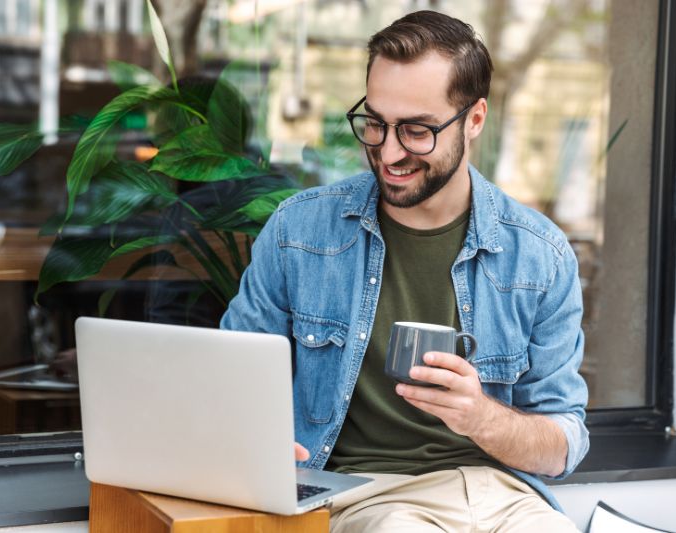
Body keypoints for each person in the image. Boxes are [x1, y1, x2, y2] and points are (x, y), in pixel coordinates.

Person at [221, 10, 588, 532]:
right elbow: (229, 386)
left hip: (506, 499)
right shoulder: (299, 231)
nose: (389, 152)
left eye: (416, 131)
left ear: (475, 119)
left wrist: (480, 416)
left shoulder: (540, 254)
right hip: (372, 500)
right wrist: (253, 442)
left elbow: (562, 447)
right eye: (375, 123)